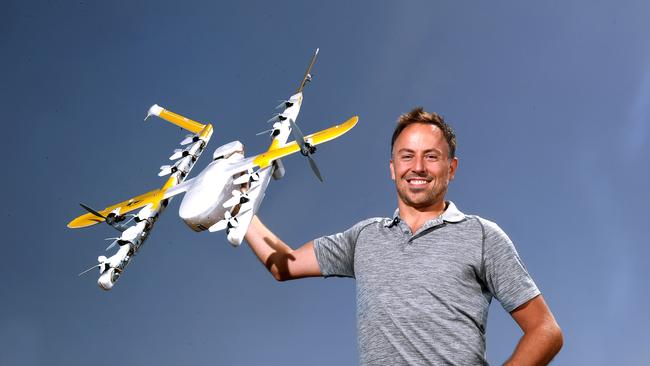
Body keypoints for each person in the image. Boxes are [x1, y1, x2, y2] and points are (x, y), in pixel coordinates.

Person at [244, 107, 563, 365]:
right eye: (407, 156)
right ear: (393, 168)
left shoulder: (481, 235)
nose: (418, 167)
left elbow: (545, 330)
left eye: (432, 156)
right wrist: (239, 209)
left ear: (451, 168)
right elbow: (283, 266)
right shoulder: (364, 237)